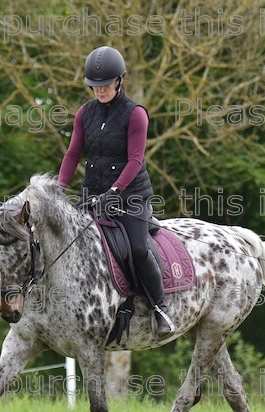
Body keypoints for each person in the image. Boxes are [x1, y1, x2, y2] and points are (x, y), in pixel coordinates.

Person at [57, 45, 176, 339]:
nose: (100, 91)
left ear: (120, 81)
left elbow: (135, 160)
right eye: (95, 86)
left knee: (136, 249)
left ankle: (160, 308)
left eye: (106, 85)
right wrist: (58, 189)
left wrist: (115, 190)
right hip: (93, 196)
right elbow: (73, 154)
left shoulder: (135, 114)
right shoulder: (84, 113)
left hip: (130, 197)